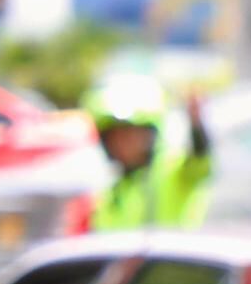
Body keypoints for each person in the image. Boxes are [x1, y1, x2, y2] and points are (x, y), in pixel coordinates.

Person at [88, 73, 212, 231]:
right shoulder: (109, 193)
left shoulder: (171, 172)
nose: (123, 144)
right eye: (116, 137)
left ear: (149, 135)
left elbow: (200, 164)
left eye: (130, 135)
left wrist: (197, 126)